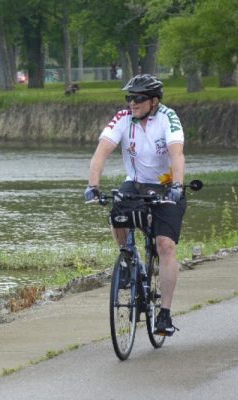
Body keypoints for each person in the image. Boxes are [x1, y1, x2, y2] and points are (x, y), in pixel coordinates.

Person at [84, 74, 186, 336]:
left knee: (165, 245)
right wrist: (92, 186)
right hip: (137, 183)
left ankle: (164, 313)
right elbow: (101, 152)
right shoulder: (123, 118)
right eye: (129, 98)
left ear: (153, 101)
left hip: (166, 186)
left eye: (138, 98)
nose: (132, 103)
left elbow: (177, 154)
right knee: (117, 214)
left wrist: (177, 185)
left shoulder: (168, 118)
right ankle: (128, 260)